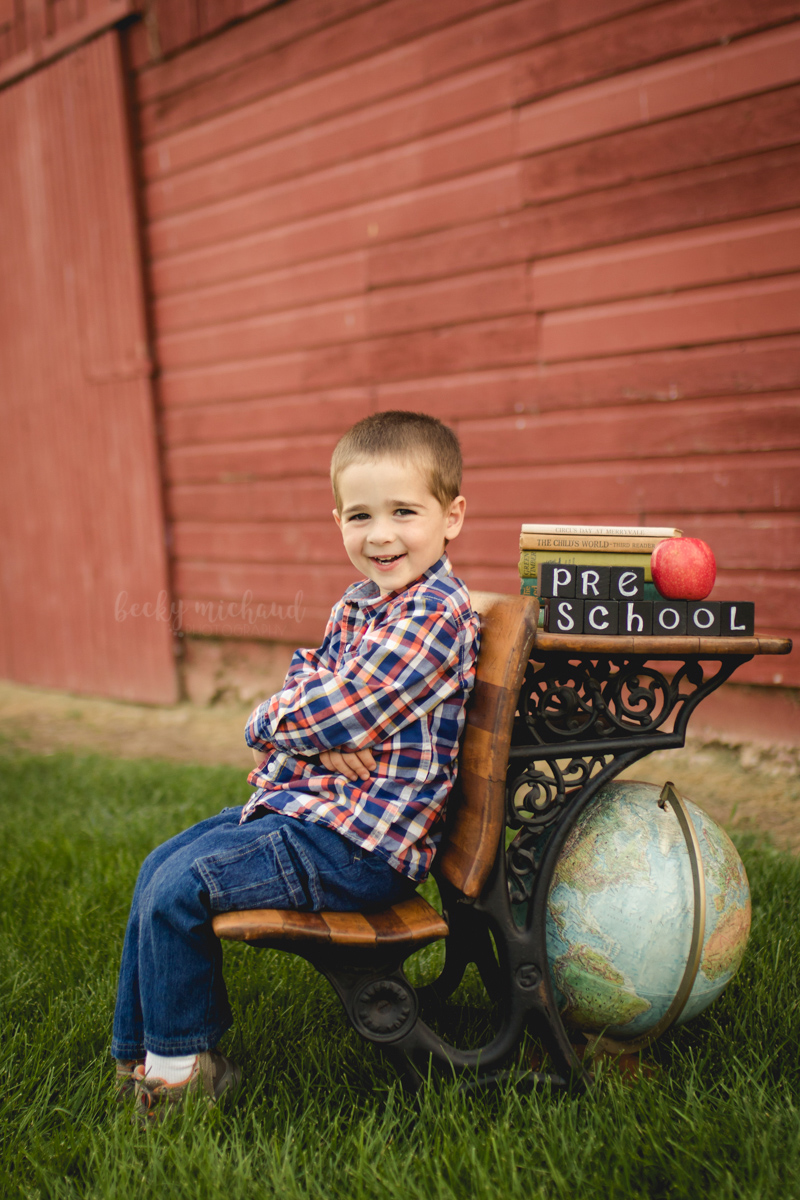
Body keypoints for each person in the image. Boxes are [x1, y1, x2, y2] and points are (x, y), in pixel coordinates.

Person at [112, 410, 480, 1121]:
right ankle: (140, 1056)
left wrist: (277, 724)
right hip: (316, 816)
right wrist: (313, 725)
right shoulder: (364, 604)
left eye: (404, 511)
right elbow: (311, 682)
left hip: (360, 846)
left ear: (451, 516)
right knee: (160, 864)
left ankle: (182, 1079)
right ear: (337, 517)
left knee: (180, 889)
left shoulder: (435, 614)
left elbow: (343, 706)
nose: (380, 535)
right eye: (360, 515)